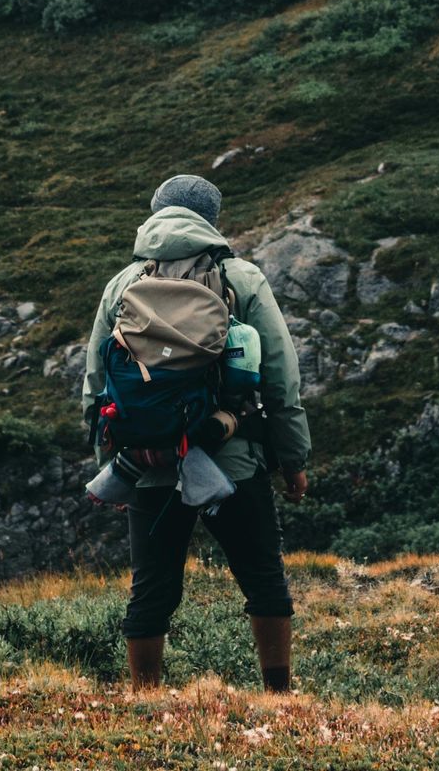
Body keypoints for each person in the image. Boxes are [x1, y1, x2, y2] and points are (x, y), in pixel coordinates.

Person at [81, 171, 310, 694]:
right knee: (262, 576)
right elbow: (281, 376)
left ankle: (145, 698)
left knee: (152, 588)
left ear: (156, 214)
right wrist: (293, 461)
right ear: (212, 220)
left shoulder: (123, 284)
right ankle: (278, 695)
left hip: (148, 463)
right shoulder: (241, 277)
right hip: (230, 456)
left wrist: (116, 465)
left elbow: (96, 386)